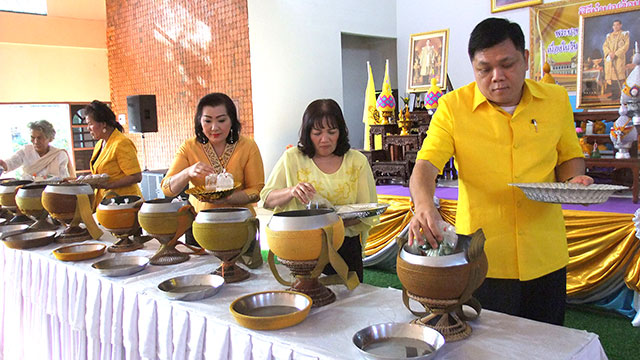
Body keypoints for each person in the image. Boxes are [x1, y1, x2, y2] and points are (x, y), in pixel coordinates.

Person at [407, 18, 593, 326]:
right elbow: (426, 165)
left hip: (545, 254)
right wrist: (425, 205)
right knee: (489, 348)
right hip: (483, 258)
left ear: (526, 59)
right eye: (485, 69)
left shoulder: (555, 100)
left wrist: (575, 180)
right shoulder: (453, 107)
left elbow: (570, 156)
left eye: (507, 64)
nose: (497, 77)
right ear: (473, 67)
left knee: (547, 341)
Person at [261, 99, 378, 282]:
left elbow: (367, 210)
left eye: (332, 132)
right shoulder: (293, 159)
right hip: (302, 246)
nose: (325, 139)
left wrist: (332, 225)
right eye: (317, 133)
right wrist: (291, 191)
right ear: (308, 133)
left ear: (341, 132)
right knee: (306, 299)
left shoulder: (356, 161)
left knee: (348, 305)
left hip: (344, 246)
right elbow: (267, 199)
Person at [161, 92, 265, 217]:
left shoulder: (248, 146)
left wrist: (228, 198)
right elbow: (167, 188)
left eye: (221, 120)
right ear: (200, 122)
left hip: (239, 221)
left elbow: (256, 191)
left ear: (232, 120)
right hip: (200, 221)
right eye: (208, 121)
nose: (214, 128)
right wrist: (188, 172)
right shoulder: (189, 147)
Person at [84, 100, 143, 208]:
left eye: (90, 124)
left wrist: (110, 185)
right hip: (106, 202)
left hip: (124, 203)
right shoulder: (100, 144)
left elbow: (136, 176)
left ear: (103, 124)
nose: (88, 128)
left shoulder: (121, 143)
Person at [0, 120, 74, 180]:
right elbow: (10, 163)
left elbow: (63, 179)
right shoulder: (26, 151)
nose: (35, 141)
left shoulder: (59, 155)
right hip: (28, 193)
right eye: (33, 137)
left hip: (52, 193)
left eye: (39, 138)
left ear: (50, 139)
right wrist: (3, 164)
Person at [603, 19, 629, 99]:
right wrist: (609, 53)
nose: (615, 27)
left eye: (617, 25)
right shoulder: (609, 36)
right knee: (612, 77)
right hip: (610, 58)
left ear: (620, 25)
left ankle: (620, 94)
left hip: (618, 59)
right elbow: (605, 46)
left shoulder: (624, 34)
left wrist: (616, 53)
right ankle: (614, 94)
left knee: (619, 76)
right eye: (614, 25)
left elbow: (626, 46)